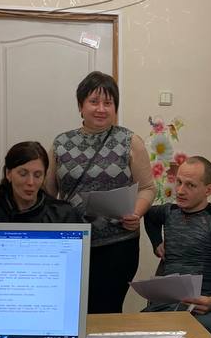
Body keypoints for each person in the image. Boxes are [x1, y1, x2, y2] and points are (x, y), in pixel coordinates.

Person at [45, 72, 154, 314]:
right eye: (94, 101)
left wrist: (136, 214)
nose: (101, 109)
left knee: (107, 311)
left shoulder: (129, 141)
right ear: (80, 106)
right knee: (70, 311)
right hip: (71, 244)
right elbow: (48, 194)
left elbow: (147, 188)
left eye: (108, 102)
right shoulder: (61, 143)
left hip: (118, 244)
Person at [143, 155, 211, 338]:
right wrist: (157, 243)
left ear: (208, 190)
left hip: (206, 310)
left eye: (190, 185)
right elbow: (149, 216)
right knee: (133, 327)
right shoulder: (170, 212)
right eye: (179, 182)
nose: (180, 191)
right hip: (166, 305)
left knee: (184, 334)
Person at [0, 140, 82, 224]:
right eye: (23, 174)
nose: (30, 182)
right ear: (8, 173)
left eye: (37, 175)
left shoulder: (63, 215)